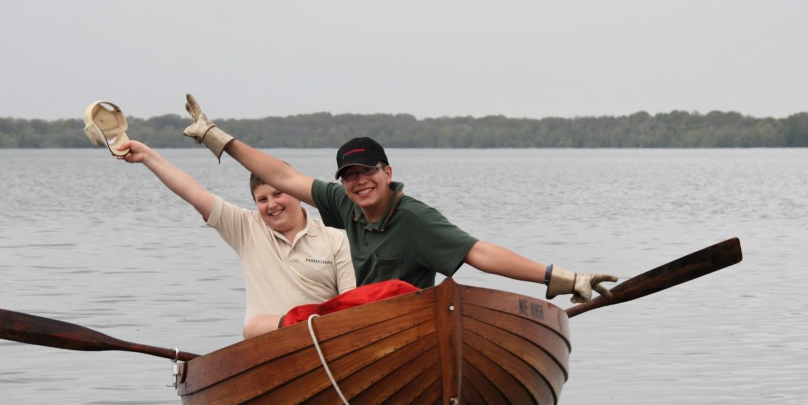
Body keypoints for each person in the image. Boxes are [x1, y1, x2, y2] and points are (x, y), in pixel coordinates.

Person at [179, 94, 618, 303]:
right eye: (349, 175)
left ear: (387, 173)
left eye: (368, 172)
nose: (359, 182)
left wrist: (558, 277)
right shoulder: (340, 202)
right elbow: (282, 175)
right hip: (355, 328)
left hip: (403, 326)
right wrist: (219, 138)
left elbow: (480, 253)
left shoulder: (415, 220)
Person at [117, 140, 356, 338]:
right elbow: (194, 193)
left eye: (277, 194)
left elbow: (350, 307)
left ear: (297, 193)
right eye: (262, 200)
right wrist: (147, 156)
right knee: (255, 327)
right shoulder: (246, 228)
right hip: (266, 349)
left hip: (322, 343)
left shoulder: (336, 239)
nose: (271, 205)